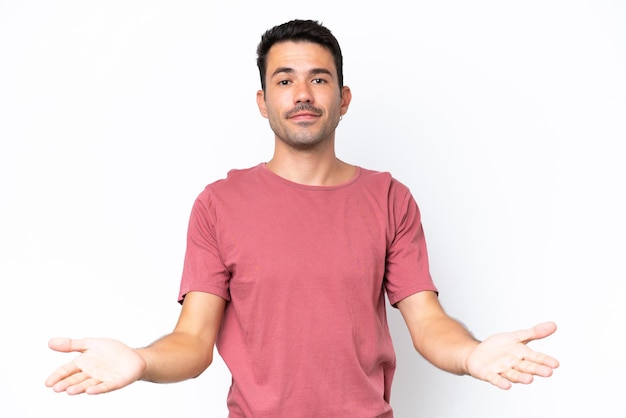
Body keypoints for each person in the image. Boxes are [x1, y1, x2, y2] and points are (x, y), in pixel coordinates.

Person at [45, 19, 559, 417]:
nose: (304, 94)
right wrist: (140, 361)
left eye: (320, 79)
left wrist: (471, 355)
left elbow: (427, 323)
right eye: (285, 80)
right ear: (263, 102)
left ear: (344, 98)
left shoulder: (388, 198)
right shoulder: (218, 204)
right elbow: (193, 341)